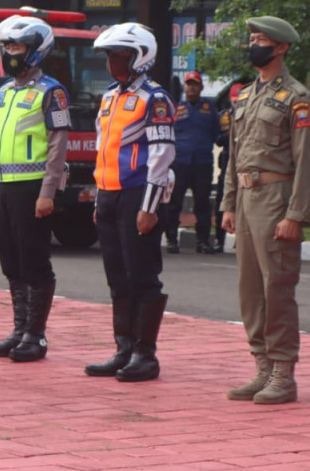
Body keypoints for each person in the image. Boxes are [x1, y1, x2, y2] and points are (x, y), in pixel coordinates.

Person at [220, 15, 310, 405]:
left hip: (276, 198)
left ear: (281, 48)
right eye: (253, 39)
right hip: (245, 200)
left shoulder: (296, 96)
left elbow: (306, 161)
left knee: (276, 286)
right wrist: (228, 202)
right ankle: (261, 366)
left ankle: (282, 372)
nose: (254, 45)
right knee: (249, 289)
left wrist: (296, 214)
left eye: (261, 40)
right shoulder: (244, 95)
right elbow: (234, 155)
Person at [86, 23, 175, 382]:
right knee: (117, 276)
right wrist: (97, 197)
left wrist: (150, 206)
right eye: (109, 56)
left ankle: (145, 354)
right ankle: (123, 348)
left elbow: (162, 153)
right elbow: (102, 148)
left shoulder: (155, 99)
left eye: (119, 56)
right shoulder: (109, 97)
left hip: (139, 194)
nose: (113, 63)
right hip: (109, 193)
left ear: (140, 57)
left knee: (142, 275)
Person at [0, 16, 70, 362]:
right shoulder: (3, 92)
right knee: (11, 261)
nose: (9, 54)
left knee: (34, 261)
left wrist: (48, 191)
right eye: (6, 47)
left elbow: (58, 144)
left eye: (15, 47)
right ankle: (18, 330)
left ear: (35, 50)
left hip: (33, 189)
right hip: (4, 188)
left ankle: (36, 335)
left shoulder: (51, 91)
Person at [163, 70, 219, 254]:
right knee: (174, 203)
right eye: (189, 84)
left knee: (202, 203)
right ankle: (172, 239)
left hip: (202, 163)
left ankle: (202, 241)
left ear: (201, 87)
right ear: (184, 87)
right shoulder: (175, 108)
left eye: (195, 84)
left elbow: (216, 133)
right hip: (180, 162)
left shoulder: (209, 108)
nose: (192, 87)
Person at [213, 82, 244, 252]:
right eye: (234, 99)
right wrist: (231, 133)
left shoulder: (250, 115)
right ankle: (219, 239)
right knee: (223, 201)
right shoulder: (224, 116)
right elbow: (217, 139)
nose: (236, 102)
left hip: (245, 161)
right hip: (227, 159)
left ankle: (243, 240)